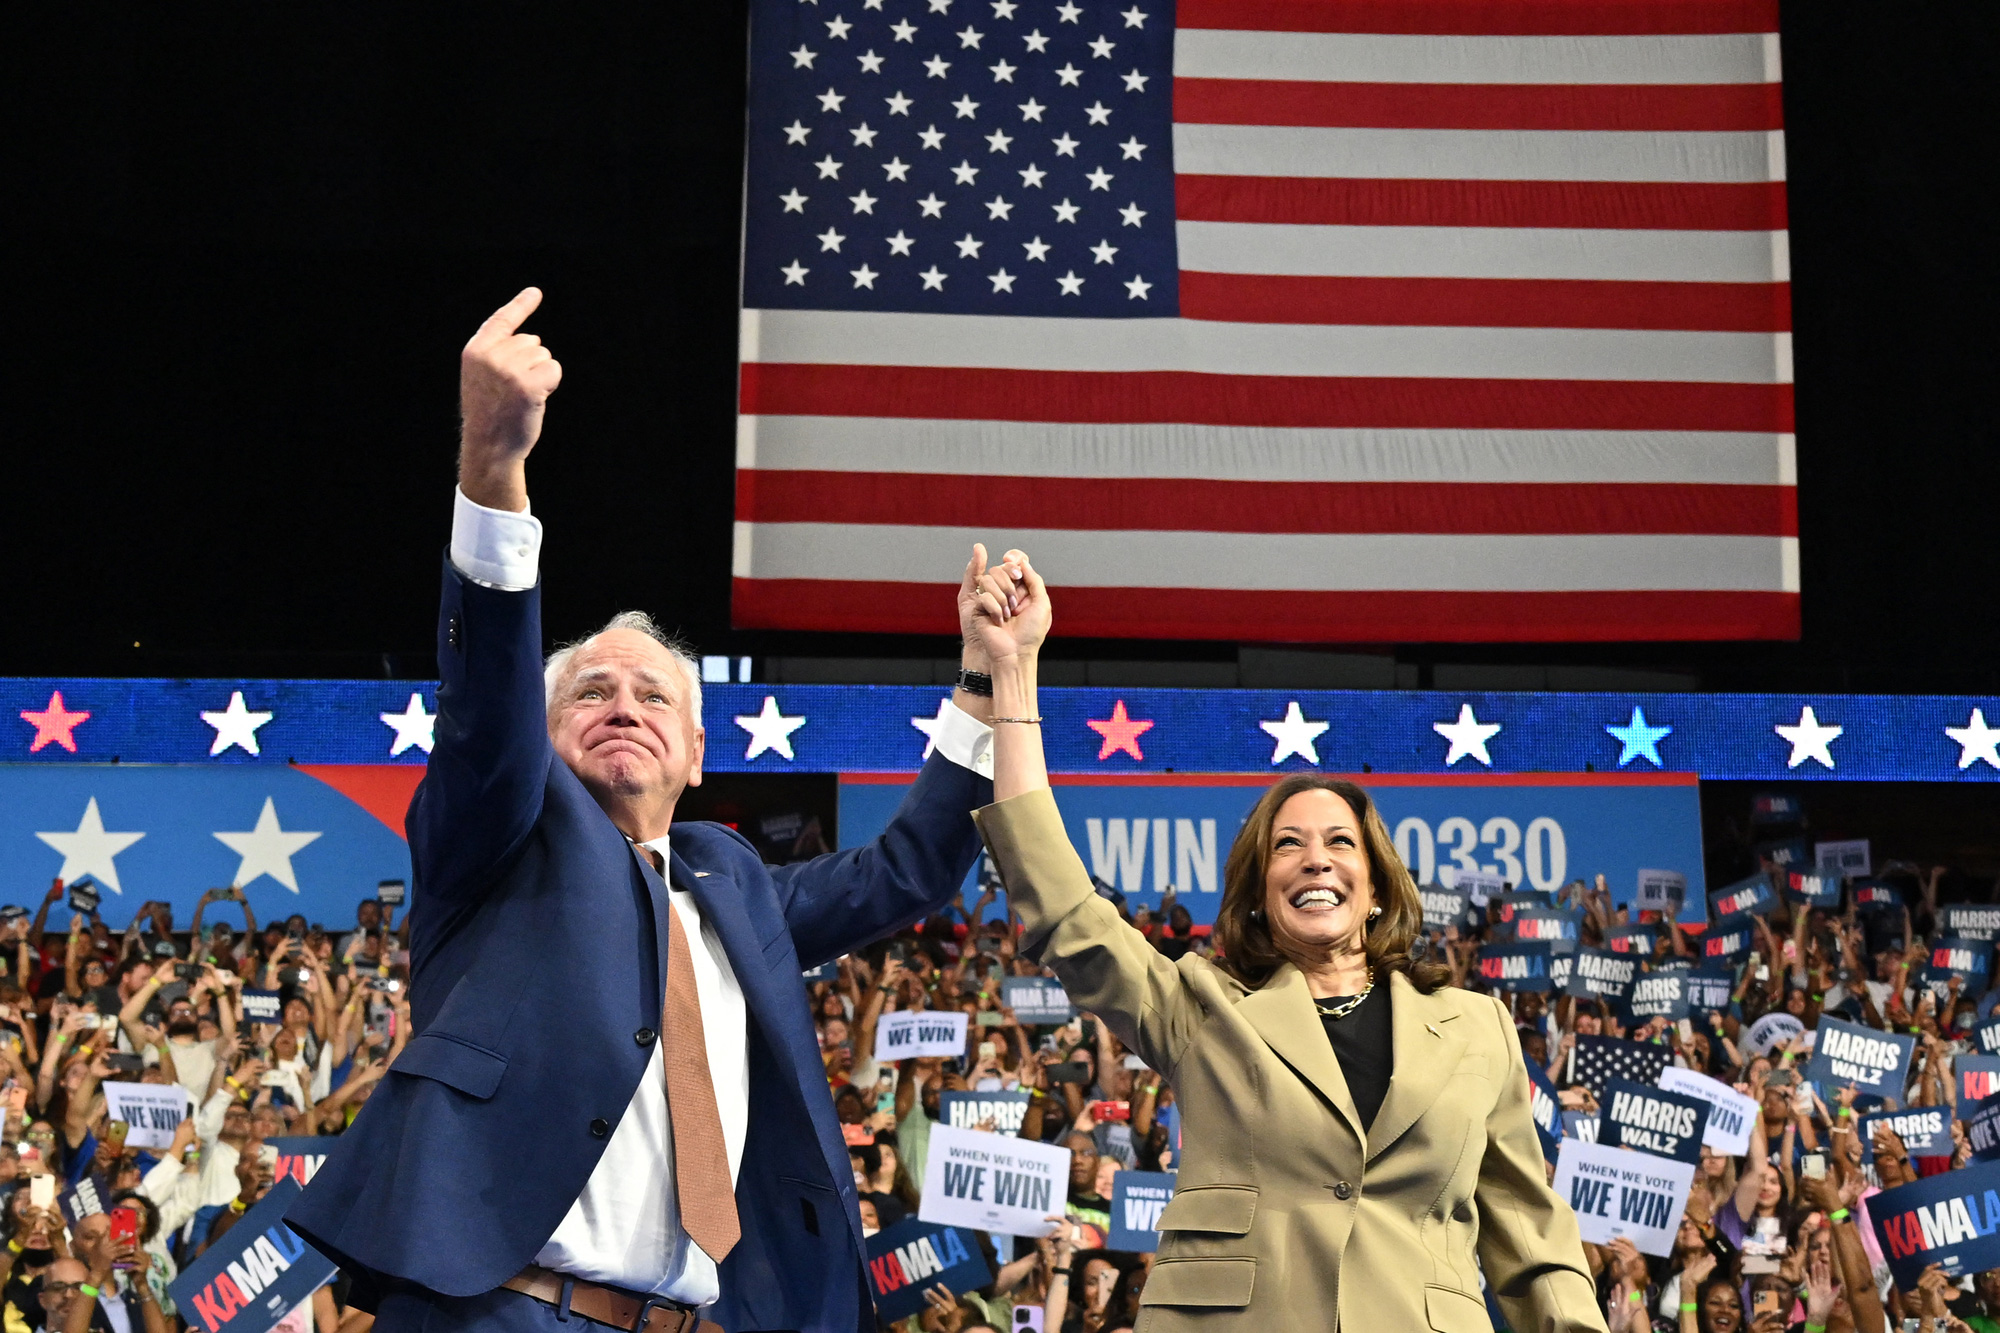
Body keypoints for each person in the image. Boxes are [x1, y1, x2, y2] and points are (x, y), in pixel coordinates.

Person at [287, 288, 1012, 1333]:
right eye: (590, 690)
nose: (622, 704)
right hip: (495, 1311)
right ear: (543, 735)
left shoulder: (730, 880)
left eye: (652, 694)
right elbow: (486, 705)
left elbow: (908, 870)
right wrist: (492, 470)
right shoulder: (499, 835)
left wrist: (983, 686)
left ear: (699, 750)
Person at [958, 553, 1605, 1331]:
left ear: (1375, 887)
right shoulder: (1202, 1009)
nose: (1316, 858)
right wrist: (1013, 671)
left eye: (1340, 841)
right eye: (1288, 846)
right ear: (1260, 896)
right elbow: (1065, 907)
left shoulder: (1477, 1030)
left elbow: (1535, 1247)